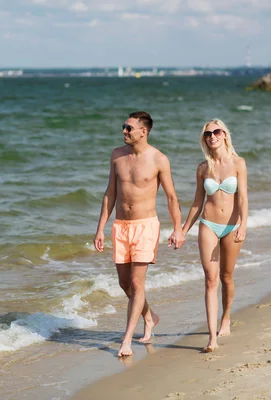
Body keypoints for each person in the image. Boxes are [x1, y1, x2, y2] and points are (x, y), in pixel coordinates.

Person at [94, 111, 186, 357]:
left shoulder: (158, 159)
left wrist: (178, 228)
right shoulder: (117, 156)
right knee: (125, 284)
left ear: (143, 131)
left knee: (137, 282)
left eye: (129, 128)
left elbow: (172, 197)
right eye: (123, 126)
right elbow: (109, 193)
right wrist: (101, 227)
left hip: (146, 225)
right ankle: (150, 316)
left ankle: (126, 340)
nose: (124, 131)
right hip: (120, 226)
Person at [182, 119, 248, 353]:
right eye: (207, 133)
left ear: (224, 135)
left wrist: (243, 225)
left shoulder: (239, 163)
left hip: (231, 226)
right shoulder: (203, 168)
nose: (212, 136)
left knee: (226, 277)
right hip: (208, 224)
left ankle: (226, 316)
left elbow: (242, 199)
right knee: (210, 279)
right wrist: (182, 230)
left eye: (216, 131)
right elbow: (197, 203)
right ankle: (211, 338)